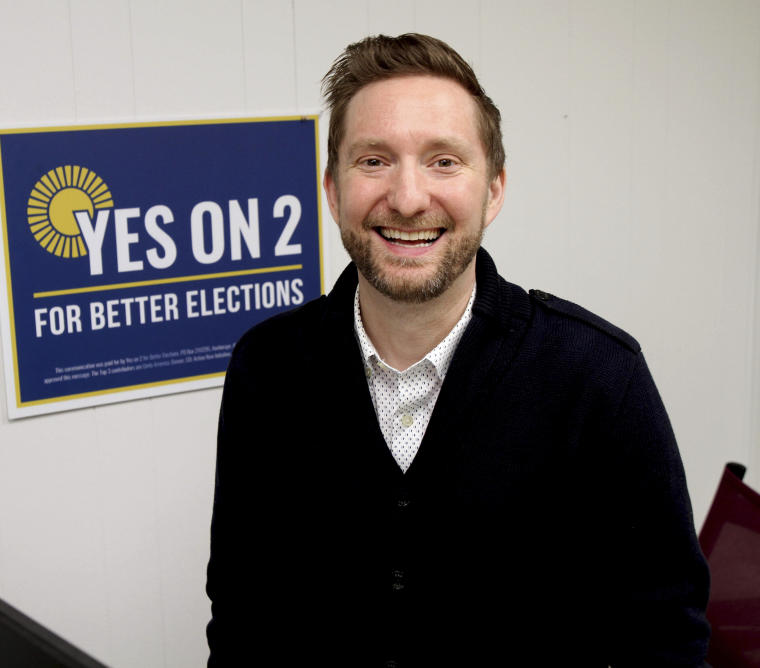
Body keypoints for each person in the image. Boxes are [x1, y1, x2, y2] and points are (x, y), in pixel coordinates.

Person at [206, 33, 709, 667]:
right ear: (333, 192)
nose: (409, 198)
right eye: (373, 161)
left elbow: (666, 636)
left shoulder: (600, 377)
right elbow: (243, 619)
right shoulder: (268, 368)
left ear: (493, 190)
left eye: (444, 160)